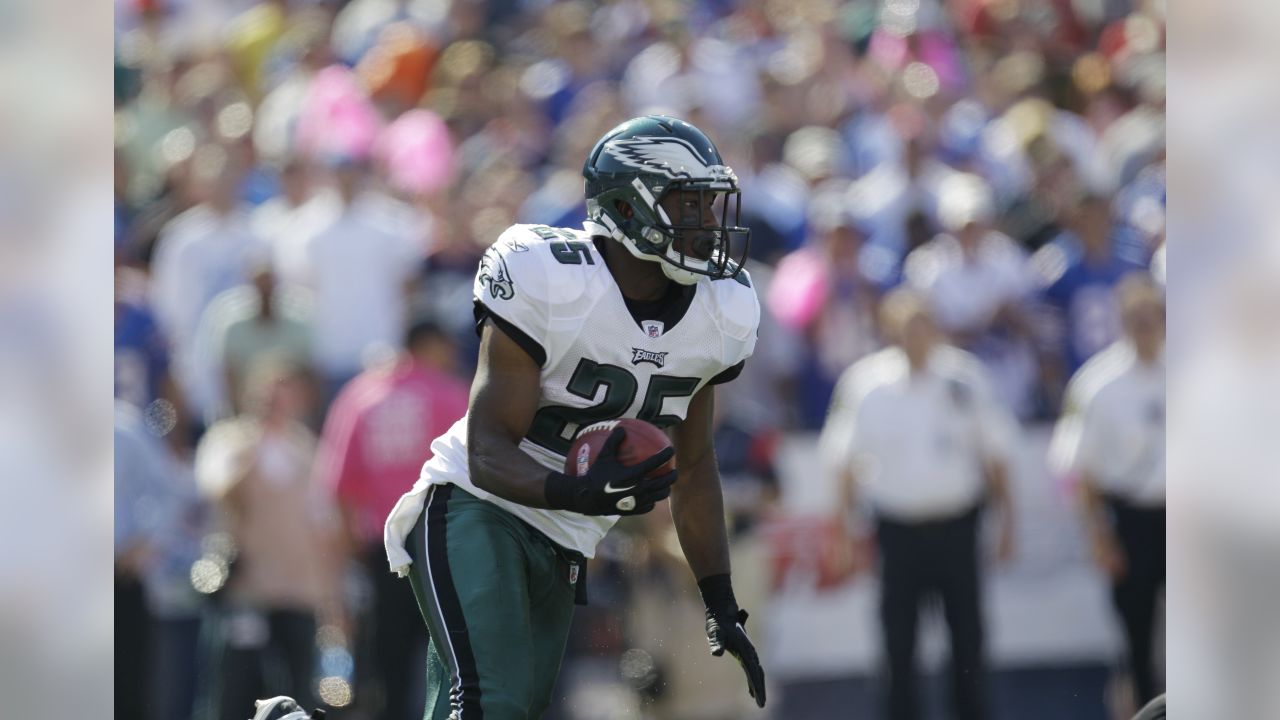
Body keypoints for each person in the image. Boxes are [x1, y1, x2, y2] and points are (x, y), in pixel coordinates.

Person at [382, 115, 767, 718]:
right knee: (491, 705)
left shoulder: (720, 312)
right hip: (477, 508)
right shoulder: (550, 278)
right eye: (688, 205)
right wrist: (574, 488)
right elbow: (486, 450)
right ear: (627, 206)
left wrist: (721, 605)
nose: (708, 225)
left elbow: (695, 469)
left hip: (565, 536)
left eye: (711, 205)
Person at [819, 288, 1017, 720]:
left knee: (968, 638)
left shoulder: (966, 378)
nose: (917, 336)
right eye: (907, 327)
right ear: (890, 330)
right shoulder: (866, 384)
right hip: (897, 532)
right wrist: (843, 533)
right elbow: (843, 463)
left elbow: (997, 455)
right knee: (897, 643)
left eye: (924, 325)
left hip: (958, 526)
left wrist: (1007, 523)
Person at [314, 319, 469, 720]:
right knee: (452, 661)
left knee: (389, 666)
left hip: (382, 552)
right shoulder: (449, 394)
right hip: (445, 545)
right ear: (430, 344)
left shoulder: (360, 397)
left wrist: (350, 558)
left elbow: (339, 487)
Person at [194, 357, 343, 720]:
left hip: (298, 593)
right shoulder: (230, 440)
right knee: (234, 692)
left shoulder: (306, 449)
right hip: (247, 592)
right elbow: (215, 488)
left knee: (295, 696)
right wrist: (255, 444)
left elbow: (324, 526)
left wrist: (332, 598)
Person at [1053, 275, 1165, 706]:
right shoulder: (1098, 383)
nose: (1145, 326)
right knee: (1134, 640)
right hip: (1132, 518)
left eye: (1152, 316)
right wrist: (1099, 535)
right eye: (1135, 318)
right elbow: (1078, 468)